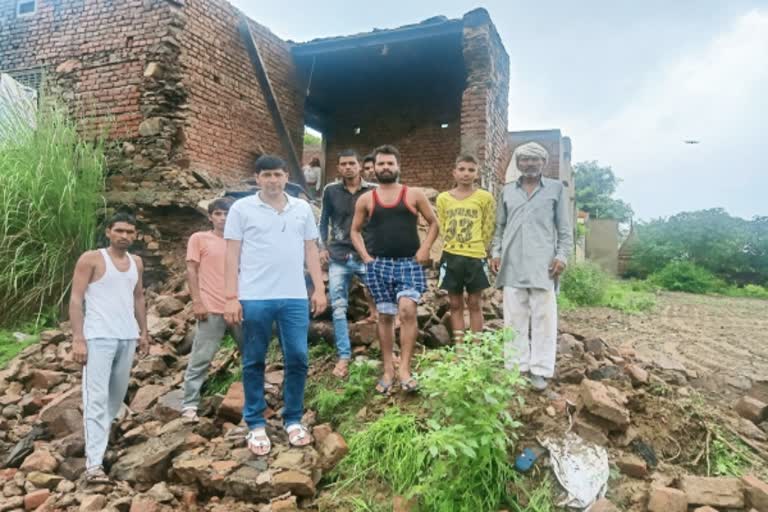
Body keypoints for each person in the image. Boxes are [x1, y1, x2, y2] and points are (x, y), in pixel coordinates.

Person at [223, 155, 327, 456]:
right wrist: (231, 296)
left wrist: (319, 289)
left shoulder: (302, 208)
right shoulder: (241, 209)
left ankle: (293, 418)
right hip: (255, 295)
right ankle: (255, 422)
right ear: (257, 178)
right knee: (254, 358)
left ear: (286, 178)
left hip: (294, 295)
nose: (273, 180)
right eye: (266, 175)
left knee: (297, 356)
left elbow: (311, 249)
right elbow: (231, 255)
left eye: (278, 174)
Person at [350, 144, 439, 394]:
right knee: (386, 316)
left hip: (409, 263)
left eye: (390, 163)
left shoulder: (413, 194)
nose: (385, 167)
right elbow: (354, 230)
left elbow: (433, 223)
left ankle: (405, 370)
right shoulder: (366, 199)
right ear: (374, 168)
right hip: (379, 264)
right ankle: (388, 368)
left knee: (408, 309)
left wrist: (425, 249)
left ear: (398, 166)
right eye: (381, 164)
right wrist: (366, 256)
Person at [69, 212, 149, 485]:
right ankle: (93, 466)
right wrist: (78, 338)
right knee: (96, 398)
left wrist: (144, 332)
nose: (125, 236)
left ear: (135, 235)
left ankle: (100, 450)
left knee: (114, 400)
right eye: (120, 231)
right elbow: (76, 299)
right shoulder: (91, 259)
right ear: (109, 232)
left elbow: (138, 298)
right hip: (98, 337)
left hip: (126, 336)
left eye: (130, 232)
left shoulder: (136, 262)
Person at [490, 142, 573, 391]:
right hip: (512, 262)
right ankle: (516, 368)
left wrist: (562, 256)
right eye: (524, 160)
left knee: (544, 318)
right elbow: (500, 228)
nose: (529, 164)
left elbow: (565, 230)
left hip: (544, 265)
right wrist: (496, 253)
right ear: (518, 163)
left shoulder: (556, 189)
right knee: (514, 318)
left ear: (543, 163)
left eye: (534, 160)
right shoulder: (506, 191)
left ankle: (540, 370)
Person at [181, 197, 242, 423]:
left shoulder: (240, 241)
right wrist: (197, 301)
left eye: (227, 214)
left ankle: (256, 397)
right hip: (211, 307)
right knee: (201, 357)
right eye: (218, 214)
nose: (223, 218)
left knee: (252, 352)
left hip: (238, 307)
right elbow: (191, 270)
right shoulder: (199, 239)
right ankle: (189, 405)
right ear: (210, 217)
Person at [318, 149, 378, 379]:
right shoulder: (330, 191)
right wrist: (322, 247)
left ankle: (388, 351)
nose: (348, 167)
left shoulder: (373, 190)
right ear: (338, 168)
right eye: (343, 164)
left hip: (367, 254)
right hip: (339, 256)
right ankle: (344, 355)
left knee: (383, 301)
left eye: (352, 163)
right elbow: (323, 221)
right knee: (339, 306)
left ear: (360, 166)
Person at [435, 154, 496, 344]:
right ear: (454, 172)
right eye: (461, 169)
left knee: (475, 302)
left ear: (477, 174)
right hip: (451, 256)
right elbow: (442, 225)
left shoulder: (485, 197)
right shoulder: (443, 198)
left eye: (471, 170)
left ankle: (476, 345)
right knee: (454, 303)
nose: (466, 174)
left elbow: (488, 226)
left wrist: (481, 247)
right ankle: (460, 346)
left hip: (475, 256)